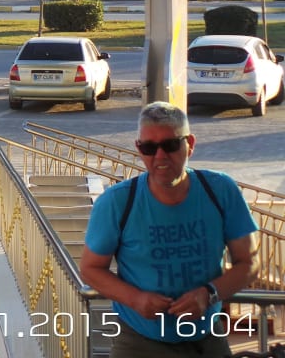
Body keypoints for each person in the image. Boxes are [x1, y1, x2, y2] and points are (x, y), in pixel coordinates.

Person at [80, 101, 259, 357]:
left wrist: (209, 294)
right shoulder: (117, 202)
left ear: (191, 144)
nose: (160, 156)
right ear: (138, 149)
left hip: (206, 337)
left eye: (171, 145)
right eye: (149, 147)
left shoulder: (220, 191)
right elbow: (90, 268)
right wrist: (136, 300)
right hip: (139, 341)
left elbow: (250, 262)